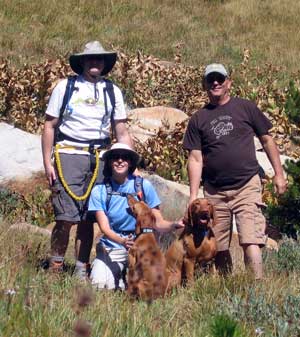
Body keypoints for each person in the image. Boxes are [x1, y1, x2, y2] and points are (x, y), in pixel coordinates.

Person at [183, 63, 287, 279]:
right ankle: (227, 287)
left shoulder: (245, 107)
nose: (215, 83)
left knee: (250, 239)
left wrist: (279, 174)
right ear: (204, 85)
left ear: (229, 82)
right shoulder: (198, 119)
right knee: (218, 245)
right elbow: (195, 158)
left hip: (246, 185)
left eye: (220, 79)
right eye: (210, 79)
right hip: (214, 191)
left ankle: (257, 288)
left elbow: (267, 140)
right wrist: (193, 196)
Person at [41, 41, 133, 278]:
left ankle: (82, 267)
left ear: (105, 64)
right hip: (68, 154)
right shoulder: (66, 87)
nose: (95, 63)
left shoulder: (112, 91)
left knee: (90, 217)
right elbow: (50, 125)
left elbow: (121, 130)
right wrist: (47, 161)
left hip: (101, 158)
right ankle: (56, 266)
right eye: (91, 59)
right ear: (82, 62)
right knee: (65, 216)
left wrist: (131, 166)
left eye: (99, 59)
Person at [88, 143, 183, 289]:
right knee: (99, 286)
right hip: (114, 246)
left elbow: (157, 223)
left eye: (124, 157)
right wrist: (122, 241)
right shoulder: (99, 190)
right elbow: (104, 228)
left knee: (154, 285)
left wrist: (174, 225)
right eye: (115, 157)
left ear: (130, 162)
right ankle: (117, 277)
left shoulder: (144, 186)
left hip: (144, 248)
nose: (120, 160)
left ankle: (126, 282)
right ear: (109, 162)